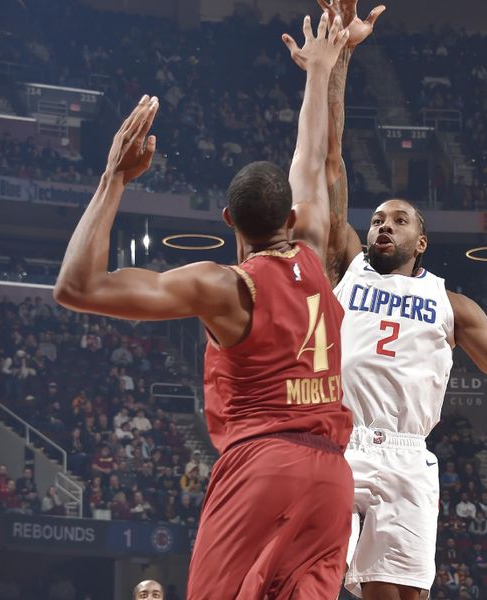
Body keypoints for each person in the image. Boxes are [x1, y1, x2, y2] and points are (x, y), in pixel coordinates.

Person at [286, 3, 487, 596]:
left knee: (401, 594)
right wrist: (340, 61)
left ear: (422, 239)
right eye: (379, 218)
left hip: (410, 456)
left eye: (399, 219)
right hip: (340, 442)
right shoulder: (347, 264)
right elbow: (330, 160)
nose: (383, 225)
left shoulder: (452, 305)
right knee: (311, 582)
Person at [54, 14, 353, 599]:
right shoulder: (316, 249)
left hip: (263, 465)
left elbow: (77, 286)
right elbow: (310, 160)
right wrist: (319, 71)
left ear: (227, 222)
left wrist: (114, 178)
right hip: (333, 476)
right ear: (291, 218)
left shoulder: (225, 286)